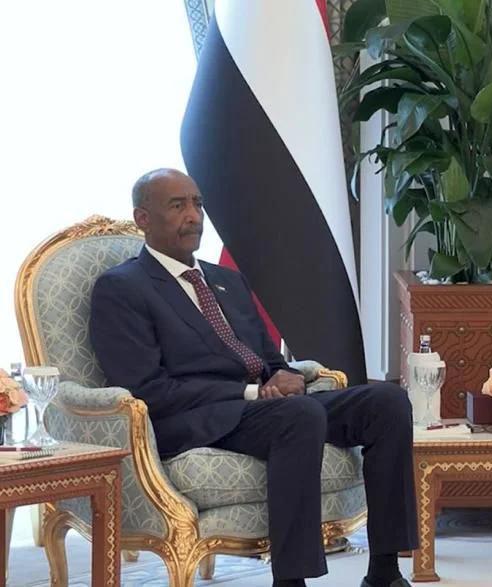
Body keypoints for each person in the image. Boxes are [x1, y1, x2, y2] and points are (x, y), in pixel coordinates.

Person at [89, 168, 416, 587]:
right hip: (196, 417)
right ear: (143, 218)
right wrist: (250, 392)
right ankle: (291, 581)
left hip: (262, 407)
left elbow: (267, 359)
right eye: (178, 206)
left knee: (387, 402)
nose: (193, 216)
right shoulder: (123, 288)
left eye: (197, 204)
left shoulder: (226, 280)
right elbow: (146, 388)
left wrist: (285, 377)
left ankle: (385, 571)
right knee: (299, 416)